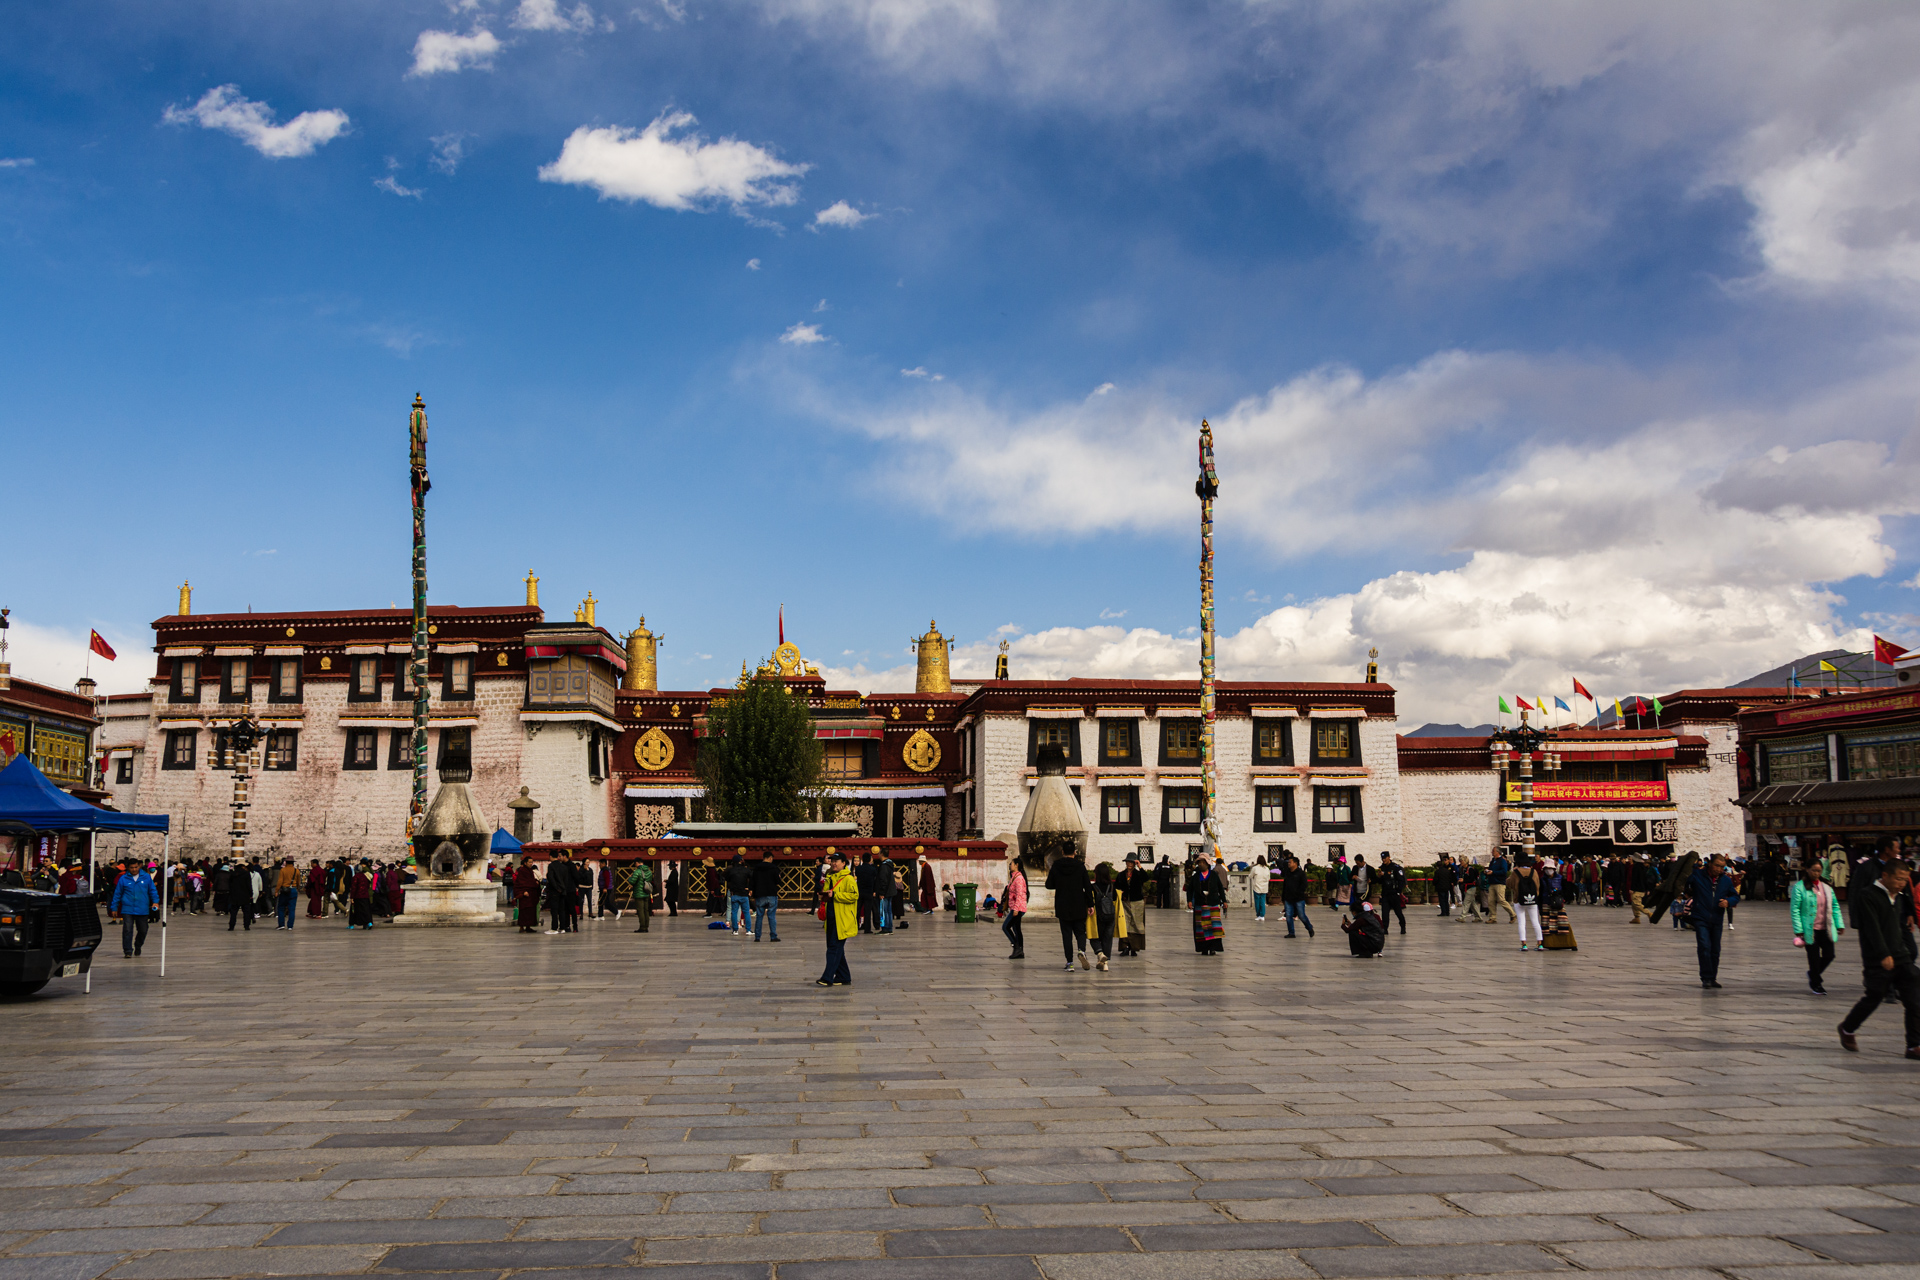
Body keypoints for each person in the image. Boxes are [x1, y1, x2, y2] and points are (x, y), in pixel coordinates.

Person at [1837, 855, 1920, 1058]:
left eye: (1904, 880)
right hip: (1878, 959)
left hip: (1902, 958)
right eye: (1898, 879)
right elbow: (1872, 928)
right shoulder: (1868, 895)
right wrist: (1883, 954)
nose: (1901, 884)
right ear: (1885, 875)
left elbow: (1897, 927)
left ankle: (1914, 1046)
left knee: (1915, 1001)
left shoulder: (1898, 897)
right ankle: (1847, 1028)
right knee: (1874, 997)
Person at [1790, 861, 1846, 996]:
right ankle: (1816, 984)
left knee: (1829, 955)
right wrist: (1798, 929)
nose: (1817, 873)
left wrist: (1839, 924)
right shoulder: (1799, 888)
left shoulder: (1826, 888)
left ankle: (1813, 974)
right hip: (1810, 929)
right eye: (1814, 870)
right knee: (1814, 958)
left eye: (1819, 871)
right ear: (1807, 870)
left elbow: (1835, 907)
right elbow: (1795, 909)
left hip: (1826, 928)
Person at [1686, 854, 1737, 989]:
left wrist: (1728, 901)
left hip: (1717, 918)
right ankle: (1706, 977)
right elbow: (1684, 883)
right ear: (1710, 864)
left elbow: (1734, 896)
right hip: (1700, 916)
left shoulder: (1725, 880)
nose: (1719, 869)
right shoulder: (1697, 875)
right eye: (1717, 866)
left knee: (1715, 949)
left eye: (1722, 867)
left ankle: (1712, 977)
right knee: (1704, 946)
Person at [1047, 850, 1094, 971]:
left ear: (1062, 852)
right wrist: (1090, 904)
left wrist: (1060, 883)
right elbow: (1087, 886)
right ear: (1075, 852)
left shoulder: (1056, 865)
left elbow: (1049, 884)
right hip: (1078, 903)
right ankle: (1081, 950)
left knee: (1066, 935)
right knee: (1080, 931)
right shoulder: (1080, 866)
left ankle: (1070, 963)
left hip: (1062, 904)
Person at [817, 850, 859, 987]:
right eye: (832, 861)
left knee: (834, 948)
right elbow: (830, 895)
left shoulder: (848, 878)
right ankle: (843, 976)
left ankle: (827, 977)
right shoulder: (830, 877)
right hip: (831, 917)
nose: (834, 863)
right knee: (834, 948)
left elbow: (854, 895)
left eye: (837, 861)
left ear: (844, 863)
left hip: (843, 919)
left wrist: (835, 894)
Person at [109, 859, 159, 958]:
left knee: (143, 930)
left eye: (136, 867)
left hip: (142, 908)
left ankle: (138, 945)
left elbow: (152, 890)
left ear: (139, 866)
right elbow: (117, 894)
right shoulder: (123, 879)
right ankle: (127, 950)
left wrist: (155, 902)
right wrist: (114, 907)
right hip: (127, 908)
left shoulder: (146, 877)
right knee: (127, 930)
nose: (134, 869)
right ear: (128, 868)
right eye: (132, 868)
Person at [1191, 856, 1227, 955]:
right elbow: (1190, 889)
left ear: (1207, 863)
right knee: (1201, 928)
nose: (1201, 864)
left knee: (1214, 928)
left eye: (1202, 862)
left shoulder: (1214, 875)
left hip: (1213, 904)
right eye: (1199, 862)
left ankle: (1213, 948)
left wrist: (1224, 901)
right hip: (1200, 905)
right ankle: (1203, 948)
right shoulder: (1196, 876)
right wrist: (1189, 901)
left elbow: (1220, 888)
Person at [1088, 862, 1119, 971]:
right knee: (1107, 939)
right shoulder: (1111, 887)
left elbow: (1090, 901)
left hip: (1099, 916)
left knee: (1094, 937)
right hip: (1110, 916)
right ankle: (1105, 964)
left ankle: (1100, 954)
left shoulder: (1093, 887)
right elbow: (1115, 899)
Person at [1508, 856, 1544, 951]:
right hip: (1532, 899)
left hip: (1519, 899)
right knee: (1535, 922)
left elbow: (1510, 884)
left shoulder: (1515, 872)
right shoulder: (1534, 872)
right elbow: (1537, 885)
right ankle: (1539, 943)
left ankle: (1524, 944)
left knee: (1521, 922)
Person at [1117, 854, 1149, 955]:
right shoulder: (1121, 875)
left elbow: (1146, 878)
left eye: (1132, 862)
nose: (1129, 864)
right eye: (1128, 862)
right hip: (1125, 901)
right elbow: (1116, 886)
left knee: (1136, 924)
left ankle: (1134, 947)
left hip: (1137, 901)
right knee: (1125, 923)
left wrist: (1140, 866)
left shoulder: (1138, 874)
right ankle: (1125, 946)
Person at [1278, 856, 1313, 938]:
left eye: (1290, 862)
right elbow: (1285, 885)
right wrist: (1283, 898)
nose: (1289, 864)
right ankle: (1291, 932)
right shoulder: (1288, 873)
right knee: (1289, 916)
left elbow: (1304, 885)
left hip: (1298, 898)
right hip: (1288, 898)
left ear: (1295, 863)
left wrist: (1298, 893)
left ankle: (1309, 927)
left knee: (1301, 915)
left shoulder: (1301, 873)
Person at [750, 854, 780, 942]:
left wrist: (752, 890)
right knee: (771, 916)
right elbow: (778, 881)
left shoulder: (756, 868)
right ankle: (773, 936)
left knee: (759, 916)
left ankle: (757, 936)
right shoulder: (774, 868)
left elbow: (752, 881)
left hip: (760, 894)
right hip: (771, 893)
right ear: (770, 858)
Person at [1003, 858, 1028, 959]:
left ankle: (1016, 947)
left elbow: (1020, 895)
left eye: (1011, 864)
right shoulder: (1014, 877)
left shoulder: (1019, 879)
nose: (1010, 865)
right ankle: (1020, 951)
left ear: (1017, 865)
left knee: (1006, 927)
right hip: (1015, 907)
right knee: (1016, 929)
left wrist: (1016, 909)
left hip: (1018, 908)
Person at [228, 860, 262, 932]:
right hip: (245, 895)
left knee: (233, 912)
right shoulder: (246, 874)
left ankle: (231, 926)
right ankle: (246, 926)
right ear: (243, 866)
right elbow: (249, 885)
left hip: (235, 895)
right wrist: (251, 894)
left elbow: (230, 885)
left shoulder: (233, 874)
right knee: (246, 912)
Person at [1378, 852, 1407, 935]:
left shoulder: (1395, 868)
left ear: (1389, 858)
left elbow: (1401, 880)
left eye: (1385, 858)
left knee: (1398, 912)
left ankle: (1402, 926)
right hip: (1385, 893)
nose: (1384, 860)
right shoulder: (1381, 868)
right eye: (1382, 859)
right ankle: (1385, 928)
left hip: (1394, 893)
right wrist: (1379, 877)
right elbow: (1380, 881)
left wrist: (1399, 891)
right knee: (1385, 912)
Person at [725, 853, 753, 935]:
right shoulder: (746, 870)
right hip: (744, 894)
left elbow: (726, 878)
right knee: (746, 912)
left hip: (734, 893)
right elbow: (752, 877)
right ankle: (748, 930)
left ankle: (735, 930)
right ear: (741, 861)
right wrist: (749, 888)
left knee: (734, 911)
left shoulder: (731, 870)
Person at [1487, 848, 1514, 923]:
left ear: (1497, 852)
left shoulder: (1502, 861)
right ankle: (1493, 917)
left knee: (1501, 900)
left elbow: (1503, 871)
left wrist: (1493, 872)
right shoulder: (1493, 861)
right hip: (1492, 882)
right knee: (1491, 901)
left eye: (1493, 851)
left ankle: (1512, 914)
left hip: (1499, 883)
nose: (1492, 852)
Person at [274, 857, 300, 930]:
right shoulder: (296, 870)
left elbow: (280, 881)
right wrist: (297, 889)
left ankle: (281, 924)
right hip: (293, 889)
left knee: (281, 907)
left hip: (285, 890)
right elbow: (298, 881)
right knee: (292, 909)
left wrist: (276, 891)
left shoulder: (283, 870)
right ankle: (290, 926)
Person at [348, 860, 375, 930]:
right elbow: (368, 886)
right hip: (365, 896)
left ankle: (352, 924)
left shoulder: (355, 877)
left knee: (354, 911)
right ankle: (368, 922)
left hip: (357, 896)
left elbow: (354, 888)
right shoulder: (365, 876)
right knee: (365, 910)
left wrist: (352, 897)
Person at [629, 859, 654, 932]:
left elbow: (633, 881)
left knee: (640, 911)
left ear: (637, 863)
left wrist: (630, 878)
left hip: (639, 893)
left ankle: (642, 927)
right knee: (646, 910)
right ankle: (646, 926)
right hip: (646, 892)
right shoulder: (649, 871)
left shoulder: (637, 872)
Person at [1249, 856, 1271, 923]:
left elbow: (1250, 876)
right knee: (1263, 902)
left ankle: (1258, 915)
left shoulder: (1255, 868)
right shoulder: (1267, 868)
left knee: (1257, 902)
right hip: (1264, 887)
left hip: (1257, 887)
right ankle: (1262, 915)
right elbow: (1268, 878)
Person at [1433, 853, 1455, 918]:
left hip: (1440, 887)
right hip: (1446, 887)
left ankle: (1443, 912)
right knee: (1446, 899)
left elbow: (1435, 880)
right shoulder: (1446, 871)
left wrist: (1434, 884)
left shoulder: (1437, 872)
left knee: (1442, 900)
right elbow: (1450, 878)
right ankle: (1447, 912)